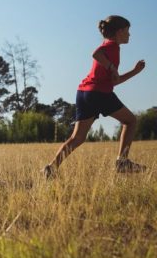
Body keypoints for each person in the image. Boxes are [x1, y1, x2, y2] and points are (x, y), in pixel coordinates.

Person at [43, 16, 146, 178]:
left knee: (77, 138)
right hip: (99, 94)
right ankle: (122, 162)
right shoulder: (112, 46)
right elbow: (96, 53)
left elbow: (114, 81)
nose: (129, 35)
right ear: (119, 32)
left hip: (84, 92)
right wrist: (111, 66)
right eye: (127, 31)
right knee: (130, 121)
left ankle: (51, 168)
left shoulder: (110, 47)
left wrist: (135, 71)